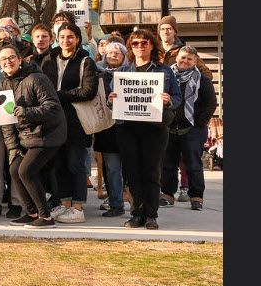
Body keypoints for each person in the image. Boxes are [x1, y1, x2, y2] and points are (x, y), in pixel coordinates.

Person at [112, 28, 179, 230]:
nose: (140, 46)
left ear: (152, 45)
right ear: (131, 47)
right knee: (131, 172)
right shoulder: (122, 73)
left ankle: (151, 214)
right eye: (135, 43)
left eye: (144, 43)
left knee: (150, 171)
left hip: (155, 128)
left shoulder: (164, 71)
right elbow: (113, 101)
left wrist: (168, 101)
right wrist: (111, 99)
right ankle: (136, 213)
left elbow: (177, 98)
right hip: (128, 128)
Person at [0, 44, 64, 228]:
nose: (8, 62)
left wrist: (25, 112)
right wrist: (13, 147)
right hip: (25, 137)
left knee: (26, 171)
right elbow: (5, 119)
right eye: (4, 59)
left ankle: (46, 216)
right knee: (14, 170)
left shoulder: (36, 78)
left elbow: (53, 107)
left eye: (11, 57)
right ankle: (32, 212)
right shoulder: (2, 83)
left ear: (20, 59)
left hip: (48, 133)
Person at [43, 22, 101, 223]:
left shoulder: (86, 61)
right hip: (54, 121)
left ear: (78, 39)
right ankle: (64, 204)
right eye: (62, 36)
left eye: (71, 37)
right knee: (59, 165)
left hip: (77, 122)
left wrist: (58, 95)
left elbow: (88, 91)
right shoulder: (49, 61)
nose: (66, 40)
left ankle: (77, 207)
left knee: (75, 164)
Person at [162, 46, 218, 211]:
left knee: (193, 164)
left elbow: (210, 104)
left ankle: (196, 197)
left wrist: (199, 123)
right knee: (168, 164)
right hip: (169, 127)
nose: (185, 61)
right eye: (183, 57)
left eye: (189, 59)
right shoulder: (166, 77)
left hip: (192, 129)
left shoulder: (203, 80)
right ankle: (167, 195)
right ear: (177, 58)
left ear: (195, 61)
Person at [95, 41, 132, 217]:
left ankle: (136, 203)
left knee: (132, 169)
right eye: (110, 52)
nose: (114, 55)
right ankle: (116, 204)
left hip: (130, 128)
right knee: (112, 168)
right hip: (108, 129)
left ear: (125, 56)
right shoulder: (97, 74)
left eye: (118, 52)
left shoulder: (133, 73)